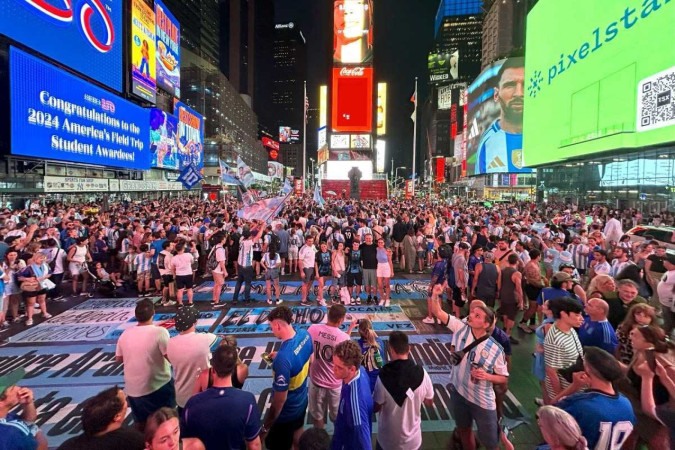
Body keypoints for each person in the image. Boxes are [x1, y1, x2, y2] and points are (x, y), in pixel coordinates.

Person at [448, 304, 509, 450]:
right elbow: (439, 312)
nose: (471, 316)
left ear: (486, 324)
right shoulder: (461, 330)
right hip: (459, 393)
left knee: (491, 442)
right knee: (463, 429)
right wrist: (435, 295)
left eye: (477, 316)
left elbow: (503, 378)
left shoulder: (495, 349)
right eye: (472, 313)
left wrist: (487, 376)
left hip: (482, 401)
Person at [181, 345, 262, 450]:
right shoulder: (247, 401)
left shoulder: (192, 404)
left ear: (213, 369)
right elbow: (254, 445)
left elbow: (184, 443)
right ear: (233, 369)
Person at [553, 347, 635, 450]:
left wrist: (574, 386)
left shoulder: (579, 404)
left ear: (587, 370)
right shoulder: (627, 404)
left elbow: (547, 415)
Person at [115, 299, 175, 431]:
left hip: (133, 389)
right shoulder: (159, 332)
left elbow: (118, 358)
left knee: (141, 425)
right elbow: (170, 357)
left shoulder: (126, 333)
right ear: (153, 313)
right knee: (168, 420)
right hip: (158, 385)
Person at [260, 306, 313, 450]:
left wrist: (265, 427)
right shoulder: (305, 334)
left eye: (271, 327)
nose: (272, 331)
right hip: (302, 401)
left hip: (286, 414)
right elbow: (310, 360)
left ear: (277, 325)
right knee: (298, 434)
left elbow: (279, 401)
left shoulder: (283, 360)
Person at [373, 331, 434, 450]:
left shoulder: (384, 376)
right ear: (409, 348)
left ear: (391, 349)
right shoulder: (422, 373)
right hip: (413, 442)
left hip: (387, 442)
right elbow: (429, 402)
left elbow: (376, 407)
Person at [307, 305, 356, 429]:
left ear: (328, 315)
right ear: (341, 320)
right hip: (334, 384)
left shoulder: (313, 329)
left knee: (317, 417)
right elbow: (343, 346)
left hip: (316, 381)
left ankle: (319, 443)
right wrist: (350, 330)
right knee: (337, 417)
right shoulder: (344, 338)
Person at [475, 58, 525, 175]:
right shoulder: (487, 142)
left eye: (525, 85)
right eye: (510, 85)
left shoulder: (546, 135)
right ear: (496, 94)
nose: (519, 93)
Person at [166, 305, 219, 412]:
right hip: (204, 394)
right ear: (194, 322)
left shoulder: (170, 343)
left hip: (182, 397)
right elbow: (225, 344)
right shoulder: (206, 338)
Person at [57, 386, 144, 450]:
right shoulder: (132, 440)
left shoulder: (68, 445)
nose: (126, 402)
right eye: (124, 400)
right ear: (117, 416)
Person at [330, 340, 373, 450]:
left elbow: (364, 445)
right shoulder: (361, 371)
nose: (333, 370)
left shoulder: (356, 406)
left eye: (339, 367)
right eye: (333, 364)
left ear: (352, 369)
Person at [544, 297, 585, 402]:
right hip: (565, 391)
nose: (581, 318)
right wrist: (560, 397)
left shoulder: (570, 329)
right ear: (563, 314)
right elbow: (551, 371)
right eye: (577, 315)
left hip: (573, 387)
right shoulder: (555, 339)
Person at [0, 369, 46, 450]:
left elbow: (28, 420)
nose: (19, 388)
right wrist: (38, 433)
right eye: (13, 388)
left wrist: (28, 404)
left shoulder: (4, 415)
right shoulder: (9, 435)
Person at [16, 251, 52, 326]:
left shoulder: (45, 266)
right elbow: (19, 277)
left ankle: (44, 312)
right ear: (35, 259)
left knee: (42, 299)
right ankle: (30, 318)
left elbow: (50, 273)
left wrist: (44, 277)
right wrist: (27, 279)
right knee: (31, 303)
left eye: (43, 258)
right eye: (40, 258)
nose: (42, 260)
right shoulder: (28, 268)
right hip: (32, 286)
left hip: (42, 284)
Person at [232, 222, 265, 305]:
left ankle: (234, 299)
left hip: (240, 264)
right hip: (247, 265)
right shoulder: (248, 242)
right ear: (249, 235)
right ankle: (247, 299)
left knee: (239, 282)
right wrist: (262, 227)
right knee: (247, 283)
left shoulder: (241, 239)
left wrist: (257, 225)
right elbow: (258, 236)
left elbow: (249, 231)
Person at [497, 253, 523, 344]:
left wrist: (499, 294)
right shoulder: (517, 273)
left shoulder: (502, 270)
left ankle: (504, 329)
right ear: (517, 262)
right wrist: (521, 301)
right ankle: (507, 335)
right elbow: (518, 289)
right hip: (512, 297)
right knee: (511, 316)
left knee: (505, 313)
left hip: (503, 296)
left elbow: (499, 284)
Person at [357, 318, 385, 392]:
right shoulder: (380, 343)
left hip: (364, 381)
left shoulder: (357, 345)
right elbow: (375, 338)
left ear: (359, 331)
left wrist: (350, 327)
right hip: (380, 381)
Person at [172, 240, 197, 307]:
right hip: (188, 274)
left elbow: (173, 268)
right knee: (189, 288)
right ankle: (190, 302)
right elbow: (192, 262)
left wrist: (174, 274)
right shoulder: (188, 255)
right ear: (183, 249)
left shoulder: (174, 258)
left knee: (180, 290)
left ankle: (180, 303)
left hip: (179, 275)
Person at [656, 253, 675, 334]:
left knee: (669, 317)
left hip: (669, 302)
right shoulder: (670, 271)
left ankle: (666, 332)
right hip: (664, 300)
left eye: (666, 261)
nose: (664, 262)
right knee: (666, 315)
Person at [209, 231, 229, 308]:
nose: (225, 239)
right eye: (224, 238)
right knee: (219, 285)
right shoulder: (220, 249)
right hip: (218, 269)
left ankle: (214, 299)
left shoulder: (215, 246)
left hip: (214, 268)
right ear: (221, 239)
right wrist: (225, 272)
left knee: (216, 284)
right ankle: (217, 302)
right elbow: (221, 262)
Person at [360, 233, 379, 305]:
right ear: (364, 239)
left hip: (374, 268)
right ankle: (369, 296)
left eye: (369, 238)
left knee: (374, 284)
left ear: (372, 238)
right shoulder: (362, 246)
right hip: (365, 268)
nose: (368, 239)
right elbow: (354, 248)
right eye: (366, 238)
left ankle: (375, 296)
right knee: (367, 284)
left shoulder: (376, 246)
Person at [299, 236, 317, 306]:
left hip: (312, 267)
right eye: (309, 241)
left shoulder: (313, 246)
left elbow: (316, 253)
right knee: (305, 284)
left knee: (310, 283)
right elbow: (300, 261)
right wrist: (301, 271)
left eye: (312, 241)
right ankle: (303, 300)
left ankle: (306, 296)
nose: (311, 242)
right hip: (306, 268)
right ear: (306, 241)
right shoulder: (303, 249)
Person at [375, 237, 393, 306]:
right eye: (379, 242)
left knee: (387, 285)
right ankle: (382, 298)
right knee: (380, 285)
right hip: (379, 266)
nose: (380, 244)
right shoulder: (376, 249)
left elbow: (390, 261)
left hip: (386, 267)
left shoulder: (387, 250)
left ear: (384, 243)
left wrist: (392, 271)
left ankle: (387, 299)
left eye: (381, 242)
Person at [345, 240, 363, 305]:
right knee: (350, 284)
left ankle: (357, 296)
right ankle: (351, 297)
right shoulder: (349, 251)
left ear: (359, 245)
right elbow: (344, 252)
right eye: (354, 244)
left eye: (357, 245)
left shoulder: (361, 251)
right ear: (352, 244)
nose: (356, 246)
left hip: (359, 271)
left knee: (359, 284)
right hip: (350, 271)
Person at [315, 241, 332, 307]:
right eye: (322, 247)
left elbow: (331, 261)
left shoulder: (330, 252)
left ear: (326, 246)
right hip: (320, 271)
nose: (323, 248)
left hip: (327, 271)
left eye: (324, 246)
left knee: (323, 284)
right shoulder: (318, 253)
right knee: (321, 285)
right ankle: (321, 300)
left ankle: (319, 297)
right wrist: (316, 273)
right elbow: (316, 264)